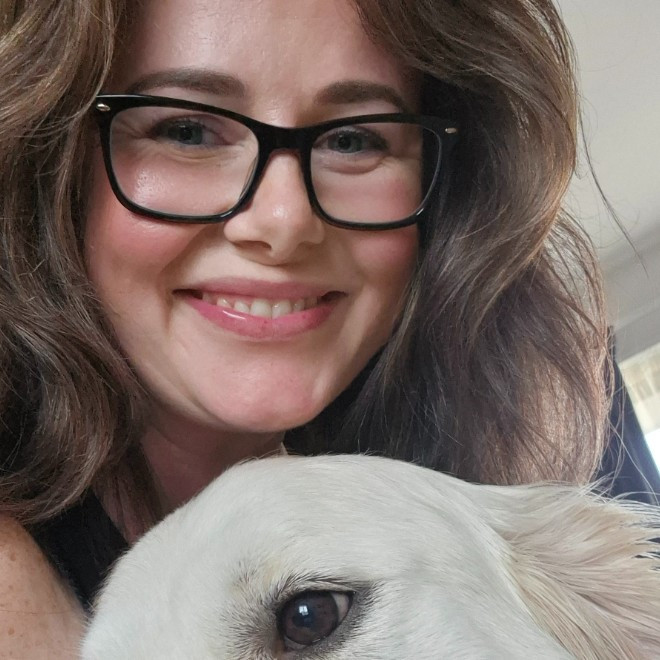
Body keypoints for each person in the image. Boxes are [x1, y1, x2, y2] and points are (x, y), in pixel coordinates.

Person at [0, 0, 615, 654]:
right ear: (54, 173)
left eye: (354, 139)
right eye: (187, 130)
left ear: (442, 200)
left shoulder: (458, 510)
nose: (285, 220)